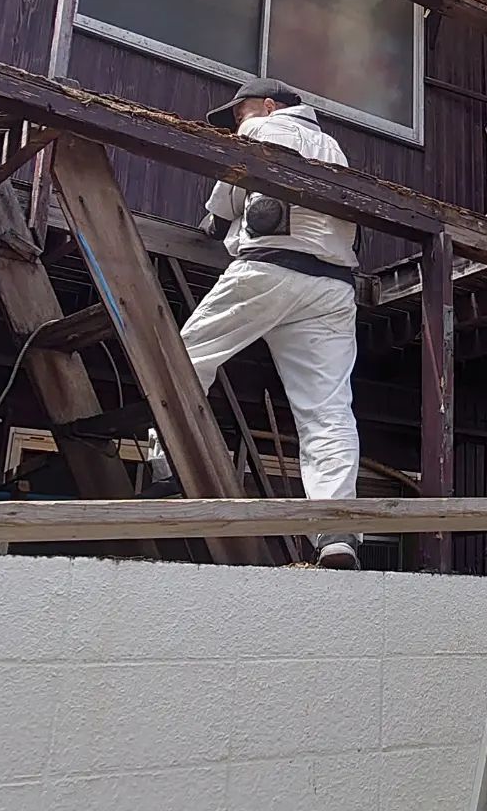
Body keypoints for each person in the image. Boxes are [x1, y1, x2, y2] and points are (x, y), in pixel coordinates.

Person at [147, 76, 362, 570]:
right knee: (326, 409)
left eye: (238, 114)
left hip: (270, 266)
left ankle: (168, 466)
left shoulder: (264, 129)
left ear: (267, 105)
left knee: (187, 357)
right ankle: (337, 533)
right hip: (332, 286)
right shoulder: (334, 148)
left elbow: (224, 205)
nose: (236, 125)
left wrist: (211, 223)